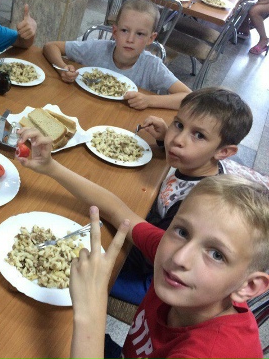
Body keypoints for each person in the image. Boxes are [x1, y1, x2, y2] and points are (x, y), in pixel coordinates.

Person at [16, 129, 269, 358]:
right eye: (182, 231)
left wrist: (90, 314)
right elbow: (118, 211)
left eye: (216, 255)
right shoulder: (175, 255)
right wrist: (50, 167)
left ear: (248, 286)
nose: (179, 258)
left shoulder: (209, 352)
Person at [110, 87, 253, 305]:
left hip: (157, 277)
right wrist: (163, 140)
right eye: (178, 125)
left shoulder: (194, 203)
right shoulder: (196, 163)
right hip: (154, 242)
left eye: (199, 135)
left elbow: (155, 256)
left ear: (223, 152)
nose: (177, 140)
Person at [43, 0, 191, 110]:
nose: (130, 39)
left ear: (150, 39)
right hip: (84, 108)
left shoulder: (152, 66)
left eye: (140, 34)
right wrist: (62, 68)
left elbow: (189, 98)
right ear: (114, 32)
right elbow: (51, 47)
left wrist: (148, 100)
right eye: (124, 30)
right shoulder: (97, 48)